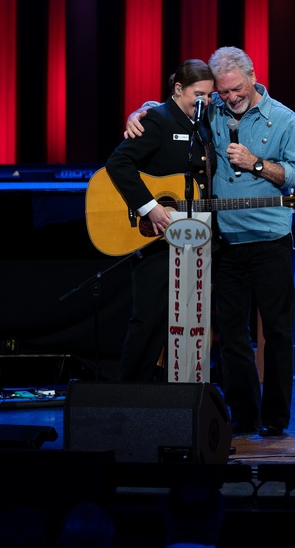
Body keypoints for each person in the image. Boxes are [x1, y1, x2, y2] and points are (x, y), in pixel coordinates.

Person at [127, 47, 295, 437]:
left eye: (236, 89)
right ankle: (246, 416)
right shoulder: (209, 113)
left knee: (277, 332)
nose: (230, 98)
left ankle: (276, 418)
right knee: (231, 334)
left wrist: (256, 163)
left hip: (270, 239)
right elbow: (173, 106)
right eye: (223, 92)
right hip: (224, 241)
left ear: (253, 76)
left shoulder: (285, 120)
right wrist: (140, 110)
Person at [105, 59, 215, 382]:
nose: (204, 102)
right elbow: (119, 162)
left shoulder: (202, 125)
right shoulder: (157, 120)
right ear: (178, 89)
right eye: (198, 95)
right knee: (148, 318)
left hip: (192, 240)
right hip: (155, 239)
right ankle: (127, 397)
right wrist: (149, 206)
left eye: (209, 96)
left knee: (182, 322)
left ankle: (172, 398)